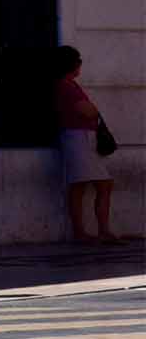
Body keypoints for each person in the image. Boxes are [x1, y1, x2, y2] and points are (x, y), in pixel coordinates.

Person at [57, 46, 121, 243]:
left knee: (80, 186)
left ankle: (85, 232)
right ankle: (98, 231)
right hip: (79, 139)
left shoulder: (67, 85)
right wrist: (94, 110)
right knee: (102, 184)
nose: (80, 64)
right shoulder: (65, 86)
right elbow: (88, 111)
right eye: (78, 60)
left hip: (79, 138)